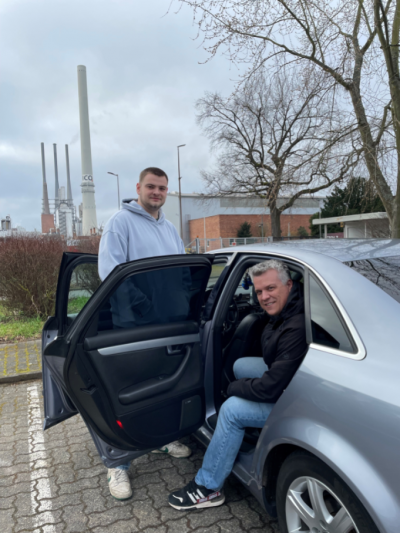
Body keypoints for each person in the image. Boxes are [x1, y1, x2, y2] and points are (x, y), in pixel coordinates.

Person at [168, 259, 308, 510]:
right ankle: (241, 426)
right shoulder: (289, 308)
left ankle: (208, 488)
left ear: (289, 284)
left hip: (299, 402)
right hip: (294, 380)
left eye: (271, 288)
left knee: (231, 409)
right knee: (241, 365)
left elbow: (270, 388)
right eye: (259, 291)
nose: (264, 297)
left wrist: (234, 389)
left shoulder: (296, 325)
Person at [98, 166, 192, 501]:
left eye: (162, 188)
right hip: (133, 325)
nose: (157, 193)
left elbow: (180, 271)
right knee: (127, 394)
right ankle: (117, 463)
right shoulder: (120, 223)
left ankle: (161, 439)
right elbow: (111, 273)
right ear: (138, 187)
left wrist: (187, 301)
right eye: (151, 186)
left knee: (162, 386)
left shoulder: (169, 228)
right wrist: (144, 306)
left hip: (167, 323)